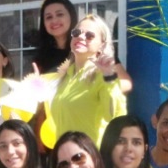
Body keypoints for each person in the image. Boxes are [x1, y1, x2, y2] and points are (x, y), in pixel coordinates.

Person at [36, 15, 127, 147]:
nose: (81, 37)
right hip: (65, 154)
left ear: (102, 45)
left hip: (91, 155)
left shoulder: (102, 76)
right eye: (76, 33)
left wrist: (109, 77)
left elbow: (115, 116)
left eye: (89, 35)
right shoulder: (65, 76)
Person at [31, 0, 133, 90]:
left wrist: (91, 90)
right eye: (49, 17)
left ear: (71, 16)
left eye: (60, 14)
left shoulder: (92, 47)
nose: (54, 20)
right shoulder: (41, 58)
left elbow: (125, 83)